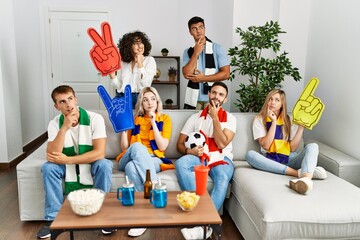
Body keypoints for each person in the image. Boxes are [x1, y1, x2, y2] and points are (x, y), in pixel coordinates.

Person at [36, 85, 113, 239]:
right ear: (56, 106)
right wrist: (64, 128)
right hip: (65, 166)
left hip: (89, 163)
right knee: (48, 168)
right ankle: (53, 219)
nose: (68, 105)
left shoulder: (94, 119)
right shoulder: (54, 123)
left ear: (76, 99)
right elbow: (52, 154)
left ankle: (102, 214)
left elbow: (99, 153)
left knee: (104, 164)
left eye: (70, 99)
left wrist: (69, 159)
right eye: (62, 101)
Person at [175, 82, 236, 240]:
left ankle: (204, 225)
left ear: (225, 98)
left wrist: (215, 117)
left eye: (221, 94)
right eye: (214, 93)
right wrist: (190, 151)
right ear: (209, 94)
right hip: (200, 158)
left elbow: (222, 143)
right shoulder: (195, 118)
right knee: (181, 163)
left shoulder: (230, 119)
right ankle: (201, 212)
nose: (217, 97)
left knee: (222, 177)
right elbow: (179, 145)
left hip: (222, 158)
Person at [245, 89, 327, 195]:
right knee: (250, 155)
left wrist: (301, 127)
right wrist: (274, 122)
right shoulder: (259, 119)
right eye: (270, 99)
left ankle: (306, 180)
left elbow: (292, 148)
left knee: (313, 146)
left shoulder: (289, 120)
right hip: (269, 158)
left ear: (282, 103)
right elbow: (265, 145)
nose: (272, 102)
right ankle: (300, 173)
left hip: (289, 157)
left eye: (277, 100)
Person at [116, 86, 172, 237]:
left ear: (157, 101)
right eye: (145, 100)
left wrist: (154, 123)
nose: (149, 103)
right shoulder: (135, 120)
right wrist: (123, 129)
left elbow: (162, 146)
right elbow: (125, 148)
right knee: (136, 147)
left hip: (153, 160)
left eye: (153, 99)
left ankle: (143, 216)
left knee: (131, 168)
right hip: (129, 154)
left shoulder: (165, 119)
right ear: (141, 103)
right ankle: (154, 187)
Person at [183, 16, 230, 110]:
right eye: (194, 28)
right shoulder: (188, 52)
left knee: (211, 123)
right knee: (195, 124)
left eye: (201, 27)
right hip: (194, 98)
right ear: (190, 32)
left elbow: (226, 74)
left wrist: (203, 78)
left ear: (205, 28)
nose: (198, 31)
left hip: (213, 97)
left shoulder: (217, 48)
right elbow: (187, 74)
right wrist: (195, 53)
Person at [109, 31, 156, 108]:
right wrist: (112, 76)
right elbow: (119, 86)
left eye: (141, 43)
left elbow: (146, 84)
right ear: (128, 46)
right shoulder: (123, 63)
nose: (140, 46)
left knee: (139, 120)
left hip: (140, 98)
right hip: (122, 97)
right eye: (136, 43)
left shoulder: (149, 60)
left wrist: (140, 64)